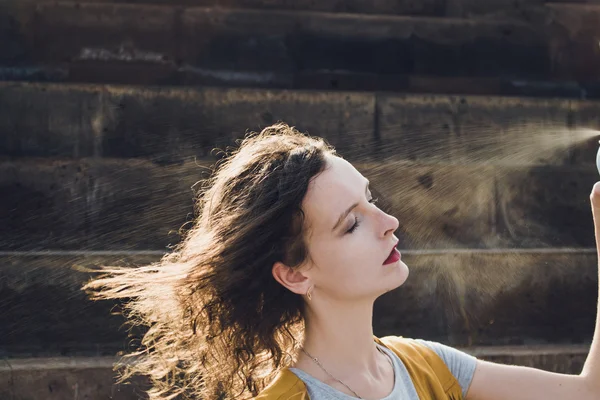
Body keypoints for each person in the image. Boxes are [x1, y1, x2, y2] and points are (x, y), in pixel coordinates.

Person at [84, 123, 600, 399]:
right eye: (351, 223)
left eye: (371, 199)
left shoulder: (426, 367)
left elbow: (586, 394)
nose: (389, 222)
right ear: (294, 273)